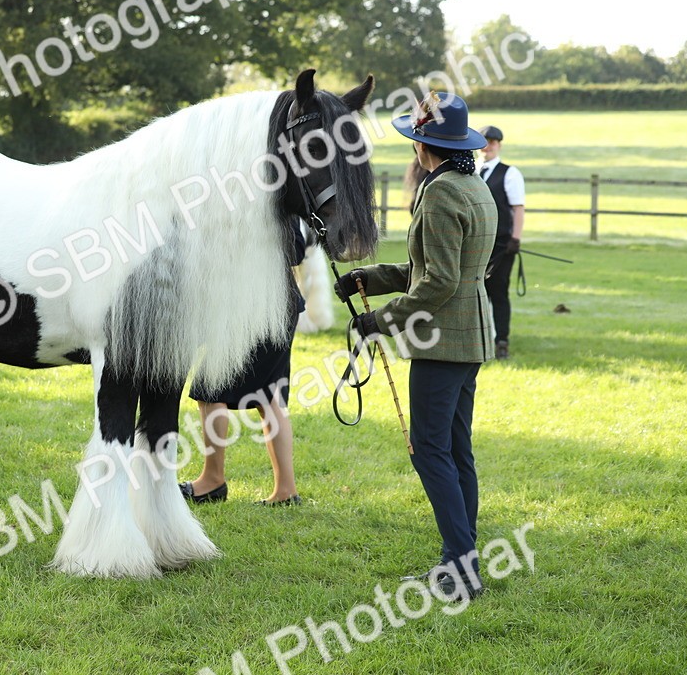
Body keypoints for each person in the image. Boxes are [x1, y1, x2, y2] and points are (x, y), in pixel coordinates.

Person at [334, 92, 496, 600]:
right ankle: (458, 560)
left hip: (443, 343)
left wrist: (379, 321)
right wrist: (372, 278)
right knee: (454, 450)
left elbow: (439, 281)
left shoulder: (442, 192)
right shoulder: (473, 185)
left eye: (414, 140)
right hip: (469, 340)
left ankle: (463, 568)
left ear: (425, 146)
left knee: (429, 451)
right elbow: (433, 267)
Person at [179, 219, 306, 506]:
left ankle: (212, 481)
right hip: (283, 305)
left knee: (211, 391)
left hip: (249, 308)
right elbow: (297, 249)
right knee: (270, 396)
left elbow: (296, 250)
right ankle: (286, 491)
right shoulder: (282, 191)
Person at [476, 125, 526, 360]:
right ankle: (480, 339)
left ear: (499, 145)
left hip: (502, 246)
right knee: (476, 293)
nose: (488, 146)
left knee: (498, 293)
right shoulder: (471, 171)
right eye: (484, 141)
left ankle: (501, 341)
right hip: (476, 245)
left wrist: (515, 239)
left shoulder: (510, 173)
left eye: (493, 142)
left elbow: (518, 208)